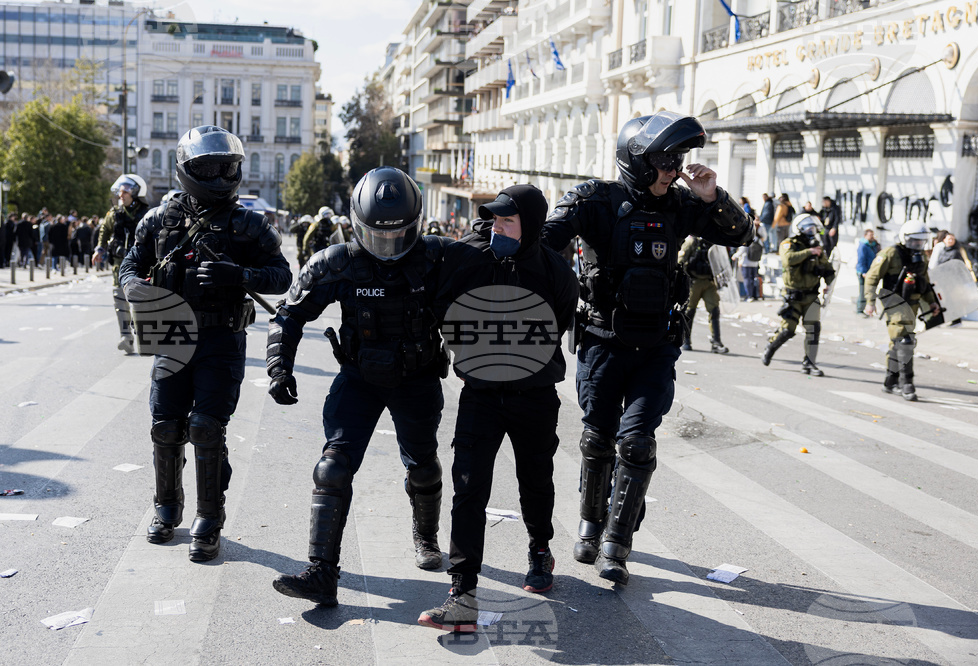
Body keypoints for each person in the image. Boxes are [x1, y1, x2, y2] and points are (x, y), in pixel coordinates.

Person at [541, 111, 753, 585]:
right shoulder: (596, 200)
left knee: (635, 443)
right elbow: (544, 241)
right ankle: (591, 525)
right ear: (636, 160)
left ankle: (617, 541)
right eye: (664, 160)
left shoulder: (682, 204)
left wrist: (712, 196)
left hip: (656, 344)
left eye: (678, 160)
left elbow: (741, 234)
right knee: (597, 440)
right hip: (602, 342)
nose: (673, 170)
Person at [266, 167, 451, 606]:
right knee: (332, 467)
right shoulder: (338, 261)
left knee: (423, 466)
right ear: (356, 225)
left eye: (399, 235)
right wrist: (278, 366)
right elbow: (289, 312)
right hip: (360, 378)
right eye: (378, 236)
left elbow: (495, 281)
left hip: (417, 379)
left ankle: (426, 538)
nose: (388, 247)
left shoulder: (439, 256)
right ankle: (321, 572)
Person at [119, 125, 292, 562]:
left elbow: (282, 275)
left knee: (206, 428)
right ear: (189, 170)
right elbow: (128, 267)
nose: (219, 175)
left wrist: (241, 276)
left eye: (227, 167)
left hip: (222, 335)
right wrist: (140, 289)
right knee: (165, 427)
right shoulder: (159, 219)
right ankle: (166, 508)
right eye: (209, 168)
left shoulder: (249, 223)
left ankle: (209, 519)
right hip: (171, 333)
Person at [418, 185, 578, 633]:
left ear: (530, 224)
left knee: (535, 480)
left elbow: (558, 322)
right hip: (481, 395)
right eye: (493, 220)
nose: (497, 228)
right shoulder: (468, 257)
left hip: (535, 395)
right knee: (468, 489)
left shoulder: (556, 271)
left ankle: (540, 549)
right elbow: (441, 302)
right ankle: (462, 593)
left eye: (507, 221)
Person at [864, 220, 939, 401]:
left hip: (912, 305)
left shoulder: (921, 257)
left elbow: (925, 282)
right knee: (905, 341)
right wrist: (870, 302)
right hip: (894, 304)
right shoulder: (890, 254)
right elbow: (872, 277)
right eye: (914, 241)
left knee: (897, 343)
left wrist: (932, 302)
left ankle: (890, 381)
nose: (918, 245)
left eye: (921, 241)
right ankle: (907, 384)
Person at [761, 213, 835, 376]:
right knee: (788, 329)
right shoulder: (789, 244)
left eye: (813, 228)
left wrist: (829, 282)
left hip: (811, 296)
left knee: (813, 329)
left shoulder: (816, 247)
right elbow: (789, 260)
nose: (812, 231)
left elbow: (827, 267)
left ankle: (809, 363)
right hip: (793, 296)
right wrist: (809, 252)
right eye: (809, 228)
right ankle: (771, 347)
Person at [94, 174, 150, 353]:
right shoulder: (114, 214)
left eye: (125, 191)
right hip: (119, 263)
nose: (121, 194)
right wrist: (99, 249)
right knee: (120, 300)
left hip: (140, 265)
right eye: (120, 191)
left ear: (135, 193)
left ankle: (143, 334)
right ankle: (126, 336)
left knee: (138, 300)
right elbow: (104, 229)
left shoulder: (146, 215)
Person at [678, 236, 729, 353]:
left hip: (709, 282)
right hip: (694, 282)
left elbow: (720, 261)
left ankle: (716, 342)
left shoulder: (713, 242)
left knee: (714, 310)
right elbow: (681, 260)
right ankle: (686, 340)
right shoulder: (691, 242)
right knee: (689, 311)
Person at [733, 226, 765, 301]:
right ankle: (754, 295)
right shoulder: (758, 239)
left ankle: (749, 296)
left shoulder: (746, 239)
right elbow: (762, 250)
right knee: (753, 279)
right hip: (755, 263)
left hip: (746, 263)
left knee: (747, 279)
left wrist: (734, 256)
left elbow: (742, 250)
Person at [855, 229, 880, 315]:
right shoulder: (863, 246)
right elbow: (861, 259)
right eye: (870, 235)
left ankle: (867, 308)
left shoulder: (873, 245)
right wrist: (863, 272)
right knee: (863, 291)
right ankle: (859, 309)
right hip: (863, 272)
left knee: (869, 291)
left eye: (872, 235)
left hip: (870, 271)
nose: (872, 237)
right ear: (865, 235)